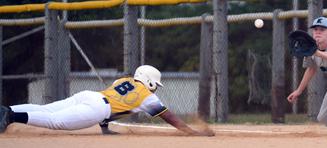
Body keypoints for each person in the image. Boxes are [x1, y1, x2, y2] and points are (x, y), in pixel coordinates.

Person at [0, 65, 214, 136]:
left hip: (90, 95)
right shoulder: (147, 96)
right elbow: (170, 117)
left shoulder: (125, 80)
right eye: (155, 84)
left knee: (45, 109)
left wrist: (104, 129)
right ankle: (10, 116)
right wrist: (192, 132)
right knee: (55, 121)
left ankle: (7, 109)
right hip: (97, 107)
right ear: (149, 80)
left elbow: (114, 103)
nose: (155, 87)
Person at [287, 16, 327, 136]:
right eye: (315, 29)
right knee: (323, 117)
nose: (318, 32)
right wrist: (299, 91)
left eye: (322, 29)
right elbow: (311, 69)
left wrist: (317, 53)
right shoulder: (311, 49)